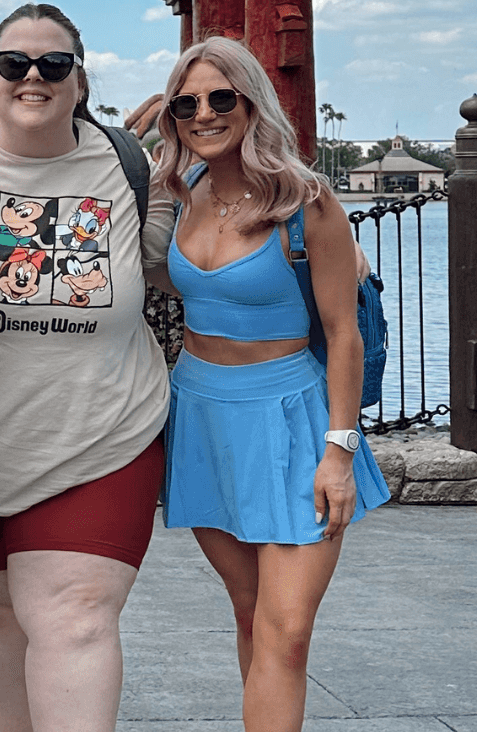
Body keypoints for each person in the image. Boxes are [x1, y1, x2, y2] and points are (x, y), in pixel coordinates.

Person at [0, 3, 177, 732]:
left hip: (98, 442)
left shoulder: (127, 168)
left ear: (80, 78)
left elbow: (195, 250)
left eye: (53, 64)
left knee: (74, 620)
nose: (33, 76)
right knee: (3, 617)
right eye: (14, 63)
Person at [154, 36, 390, 732]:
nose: (204, 113)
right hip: (201, 415)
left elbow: (343, 335)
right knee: (251, 614)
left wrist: (339, 452)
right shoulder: (183, 191)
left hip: (291, 419)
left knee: (286, 631)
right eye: (186, 103)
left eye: (221, 98)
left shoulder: (305, 201)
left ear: (252, 102)